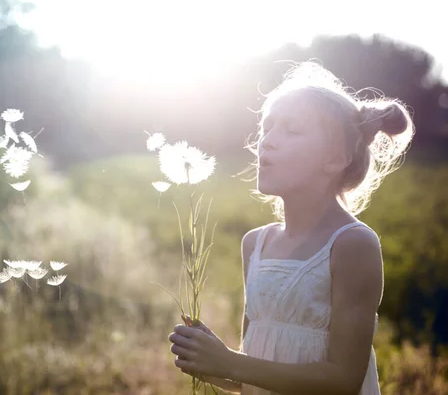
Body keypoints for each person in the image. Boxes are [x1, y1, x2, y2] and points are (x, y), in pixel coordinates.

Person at [168, 61, 415, 394]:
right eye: (266, 128)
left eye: (291, 130)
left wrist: (228, 362)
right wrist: (211, 361)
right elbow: (254, 374)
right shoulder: (255, 244)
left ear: (336, 158)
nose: (267, 142)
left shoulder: (352, 244)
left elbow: (343, 379)